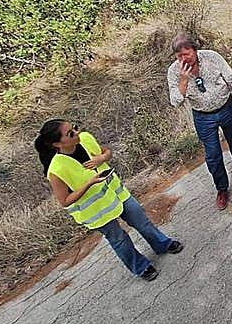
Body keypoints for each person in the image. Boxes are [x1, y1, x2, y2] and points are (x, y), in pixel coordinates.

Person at [35, 119, 183, 281]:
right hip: (97, 211)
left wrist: (102, 158)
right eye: (70, 134)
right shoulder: (56, 169)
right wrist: (89, 183)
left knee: (142, 221)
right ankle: (141, 267)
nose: (77, 133)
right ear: (57, 144)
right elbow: (64, 201)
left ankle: (162, 244)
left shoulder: (85, 138)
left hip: (117, 193)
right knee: (119, 239)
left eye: (75, 128)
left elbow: (107, 152)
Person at [167, 34, 232, 211]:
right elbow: (176, 101)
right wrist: (183, 80)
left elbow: (231, 79)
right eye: (179, 56)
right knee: (213, 155)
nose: (183, 59)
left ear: (195, 50)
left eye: (186, 54)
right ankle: (222, 189)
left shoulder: (211, 57)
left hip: (226, 107)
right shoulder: (174, 71)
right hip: (203, 116)